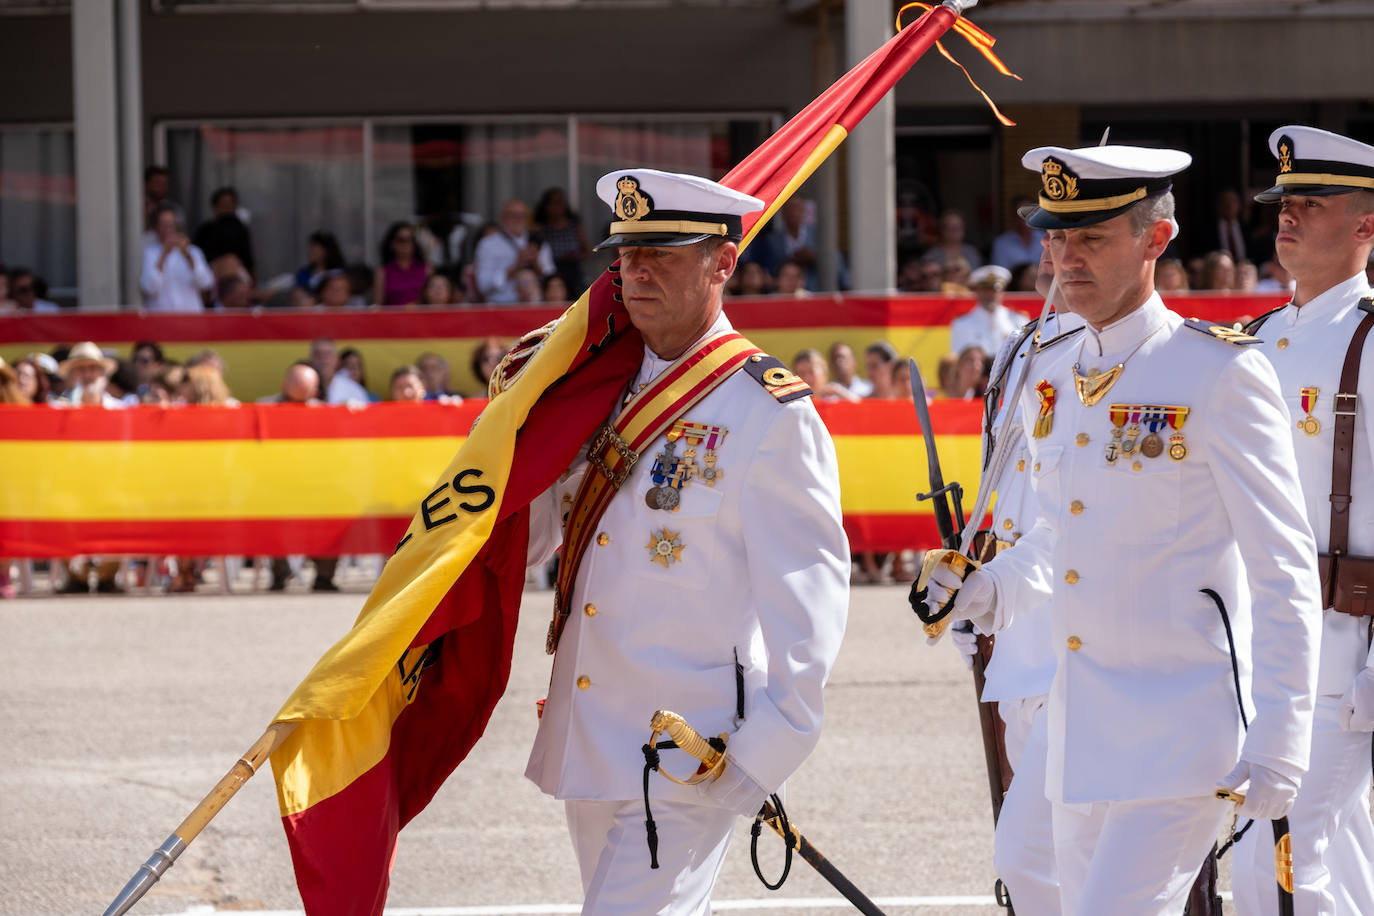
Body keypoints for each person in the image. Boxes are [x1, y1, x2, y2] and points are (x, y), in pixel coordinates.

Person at [917, 143, 1322, 914]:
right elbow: (1059, 539)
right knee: (1029, 874)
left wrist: (1281, 739)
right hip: (1075, 719)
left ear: (1155, 240)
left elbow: (1283, 570)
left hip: (1177, 727)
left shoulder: (1219, 373)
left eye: (1093, 237)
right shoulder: (1060, 371)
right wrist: (985, 589)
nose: (1068, 258)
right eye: (1059, 238)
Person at [524, 167, 849, 914]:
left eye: (662, 254)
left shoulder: (769, 412)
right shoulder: (592, 387)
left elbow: (809, 600)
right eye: (627, 255)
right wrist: (517, 429)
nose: (636, 272)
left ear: (721, 263)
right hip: (594, 729)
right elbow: (540, 538)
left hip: (692, 749)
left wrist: (767, 751)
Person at [1230, 125, 1374, 916]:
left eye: (1312, 204)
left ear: (1366, 226)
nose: (1288, 216)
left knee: (1274, 868)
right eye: (1285, 202)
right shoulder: (1251, 341)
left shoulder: (1370, 339)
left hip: (1345, 655)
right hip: (1263, 652)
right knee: (1336, 860)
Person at [954, 236, 1082, 914]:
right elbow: (998, 486)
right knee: (1036, 863)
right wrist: (971, 586)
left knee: (1044, 857)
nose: (1052, 249)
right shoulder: (1020, 348)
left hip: (1072, 643)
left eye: (1075, 234)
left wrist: (997, 587)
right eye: (1050, 233)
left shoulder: (1110, 353)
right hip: (1017, 641)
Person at [475, 198, 555, 304]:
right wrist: (515, 267)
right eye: (512, 215)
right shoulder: (487, 245)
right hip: (500, 307)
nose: (518, 219)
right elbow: (483, 286)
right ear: (503, 217)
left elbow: (553, 281)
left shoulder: (538, 242)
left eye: (522, 215)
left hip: (534, 306)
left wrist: (536, 264)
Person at [141, 204, 215, 312]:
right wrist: (163, 255)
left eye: (171, 225)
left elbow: (206, 283)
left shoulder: (193, 251)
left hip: (190, 317)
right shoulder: (149, 253)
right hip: (160, 319)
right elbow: (149, 288)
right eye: (164, 225)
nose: (168, 229)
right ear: (156, 228)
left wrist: (187, 256)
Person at [950, 265, 1022, 356]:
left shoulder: (1019, 321)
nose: (989, 294)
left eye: (994, 290)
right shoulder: (961, 324)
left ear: (1002, 292)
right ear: (977, 292)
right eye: (985, 289)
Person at [534, 187, 591, 298]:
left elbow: (587, 252)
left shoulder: (574, 225)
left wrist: (575, 256)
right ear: (546, 206)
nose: (557, 207)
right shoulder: (541, 228)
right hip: (551, 271)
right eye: (554, 203)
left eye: (560, 202)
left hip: (573, 270)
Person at [192, 186, 255, 278]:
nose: (228, 208)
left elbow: (248, 259)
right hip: (212, 277)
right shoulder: (205, 230)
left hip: (238, 277)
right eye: (224, 204)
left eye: (231, 204)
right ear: (215, 207)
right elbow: (197, 258)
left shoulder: (240, 229)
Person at [372, 221, 431, 306]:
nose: (406, 244)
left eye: (410, 240)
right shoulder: (382, 272)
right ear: (392, 244)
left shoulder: (427, 268)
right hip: (393, 317)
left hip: (422, 317)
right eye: (401, 240)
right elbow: (377, 305)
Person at [990, 196, 1047, 270]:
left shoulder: (1045, 239)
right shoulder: (1001, 244)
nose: (1025, 219)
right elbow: (1001, 275)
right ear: (1013, 217)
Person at [793, 348, 859, 403]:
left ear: (824, 373)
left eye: (811, 372)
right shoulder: (793, 404)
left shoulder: (834, 400)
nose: (807, 378)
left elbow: (860, 407)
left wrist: (839, 391)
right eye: (802, 373)